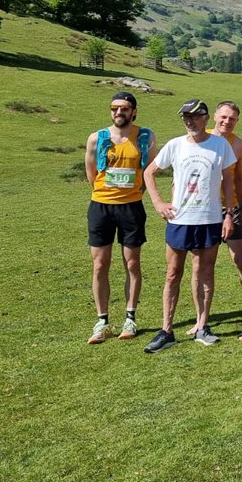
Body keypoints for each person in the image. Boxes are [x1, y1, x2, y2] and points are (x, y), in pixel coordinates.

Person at [142, 100, 237, 353]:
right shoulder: (175, 145)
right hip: (180, 220)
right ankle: (166, 331)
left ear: (206, 118)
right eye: (185, 116)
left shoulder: (221, 145)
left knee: (205, 272)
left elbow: (228, 182)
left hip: (210, 219)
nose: (189, 121)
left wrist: (229, 214)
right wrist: (158, 202)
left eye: (194, 116)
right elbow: (149, 172)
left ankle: (203, 326)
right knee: (173, 274)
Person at [84, 92, 156, 343]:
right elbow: (90, 172)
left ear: (134, 112)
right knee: (99, 265)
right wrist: (106, 192)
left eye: (124, 109)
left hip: (131, 208)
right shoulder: (97, 138)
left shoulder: (145, 137)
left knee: (132, 264)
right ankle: (102, 321)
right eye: (114, 108)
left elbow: (149, 171)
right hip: (101, 207)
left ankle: (130, 318)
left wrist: (134, 192)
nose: (118, 113)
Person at [211, 101, 242, 331]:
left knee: (241, 259)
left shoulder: (239, 145)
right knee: (202, 265)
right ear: (214, 117)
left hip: (231, 208)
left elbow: (239, 178)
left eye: (232, 119)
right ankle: (203, 318)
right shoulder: (203, 138)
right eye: (224, 117)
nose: (227, 122)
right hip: (206, 210)